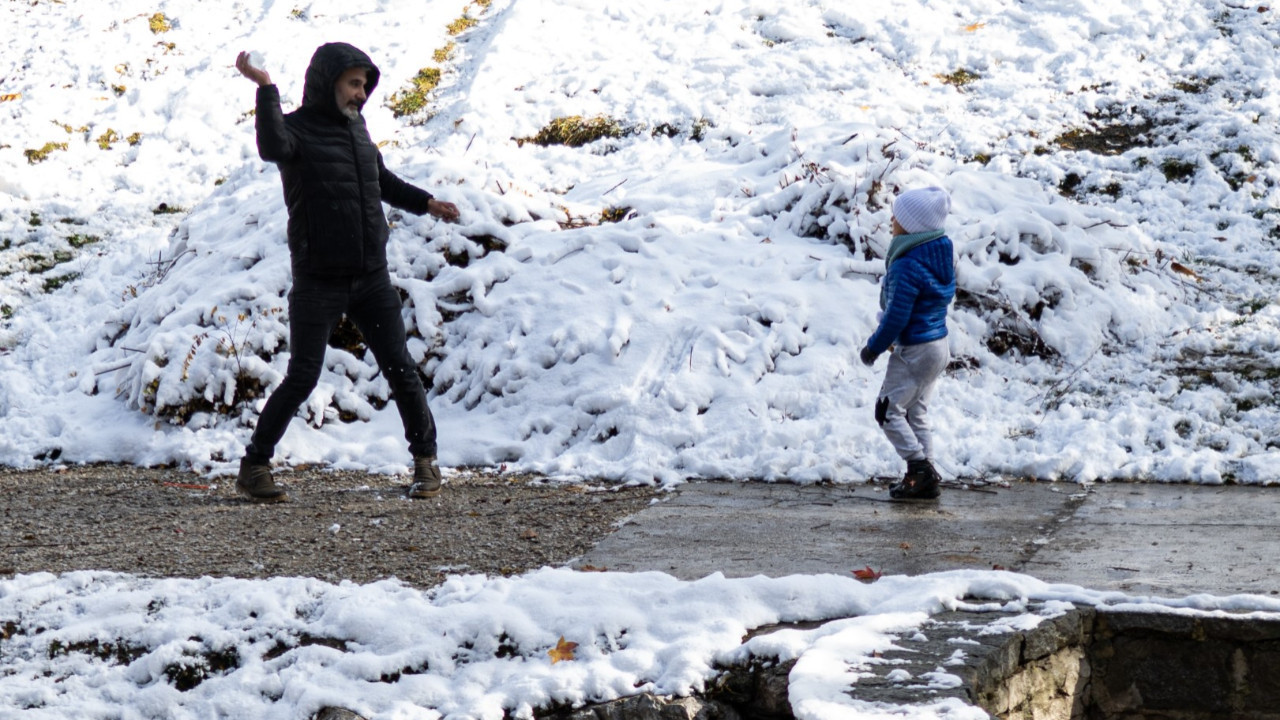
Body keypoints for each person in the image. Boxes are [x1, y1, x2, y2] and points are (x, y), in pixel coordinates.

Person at [233, 43, 460, 502]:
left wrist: (427, 203)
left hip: (371, 276)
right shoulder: (295, 131)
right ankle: (255, 466)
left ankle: (426, 463)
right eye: (353, 83)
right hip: (319, 278)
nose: (361, 94)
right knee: (303, 375)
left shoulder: (358, 131)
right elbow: (270, 146)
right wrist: (266, 89)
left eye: (364, 85)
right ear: (327, 81)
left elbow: (382, 180)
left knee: (400, 367)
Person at [859, 187, 955, 500]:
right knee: (915, 413)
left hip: (915, 349)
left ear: (913, 225)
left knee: (887, 410)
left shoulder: (906, 264)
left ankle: (919, 469)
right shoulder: (939, 253)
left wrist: (874, 346)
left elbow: (897, 316)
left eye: (898, 216)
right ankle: (925, 478)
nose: (891, 219)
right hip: (937, 345)